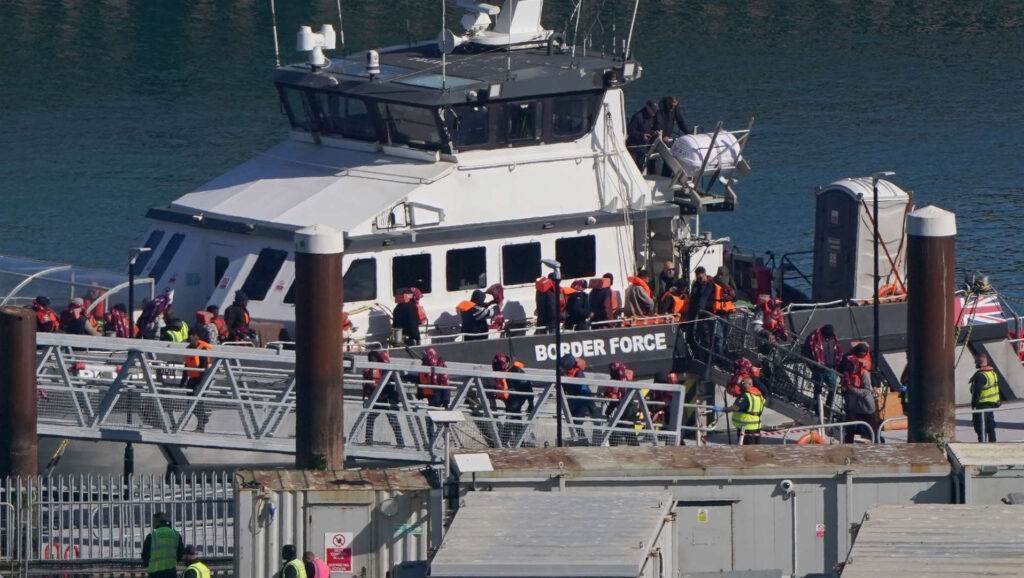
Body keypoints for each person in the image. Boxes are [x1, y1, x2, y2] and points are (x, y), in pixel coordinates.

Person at [362, 350, 404, 447]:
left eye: (371, 358)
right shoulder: (373, 369)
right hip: (377, 399)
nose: (370, 361)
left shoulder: (385, 369)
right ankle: (368, 440)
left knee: (393, 421)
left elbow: (391, 383)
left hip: (386, 399)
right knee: (370, 418)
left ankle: (401, 443)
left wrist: (383, 395)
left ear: (376, 358)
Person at [840, 353, 880, 443]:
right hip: (853, 407)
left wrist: (853, 390)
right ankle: (847, 446)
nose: (847, 367)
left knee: (873, 430)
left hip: (865, 407)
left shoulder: (864, 374)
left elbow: (867, 391)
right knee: (850, 429)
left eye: (849, 365)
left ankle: (878, 444)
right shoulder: (847, 375)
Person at [804, 324, 843, 413]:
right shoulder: (813, 338)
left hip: (830, 368)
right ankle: (818, 409)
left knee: (833, 387)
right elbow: (806, 353)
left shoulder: (832, 338)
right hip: (818, 369)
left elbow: (837, 350)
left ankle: (828, 408)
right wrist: (813, 366)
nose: (827, 338)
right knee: (818, 389)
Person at [180, 330, 212, 433]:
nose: (191, 336)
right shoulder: (188, 349)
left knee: (198, 403)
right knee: (190, 403)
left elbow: (204, 368)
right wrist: (182, 382)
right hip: (192, 380)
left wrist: (201, 384)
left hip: (201, 380)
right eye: (190, 334)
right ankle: (204, 418)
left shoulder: (203, 349)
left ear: (198, 337)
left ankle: (200, 427)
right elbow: (186, 366)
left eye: (193, 334)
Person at [559, 354, 600, 428]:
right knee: (575, 423)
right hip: (574, 401)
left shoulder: (578, 373)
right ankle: (579, 437)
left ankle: (600, 435)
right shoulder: (566, 373)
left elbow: (583, 389)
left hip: (582, 401)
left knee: (579, 421)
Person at [724, 375, 764, 445]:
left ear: (749, 384)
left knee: (746, 449)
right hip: (756, 427)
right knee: (756, 448)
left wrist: (724, 409)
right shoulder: (759, 396)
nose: (741, 385)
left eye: (743, 383)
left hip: (746, 428)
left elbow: (736, 407)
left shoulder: (746, 396)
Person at [141, 512, 183, 578]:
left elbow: (145, 555)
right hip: (170, 572)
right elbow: (180, 554)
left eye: (153, 521)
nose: (152, 523)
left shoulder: (152, 536)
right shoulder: (176, 535)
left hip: (155, 573)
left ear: (158, 522)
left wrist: (148, 564)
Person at [970, 352, 1000, 443]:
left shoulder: (981, 375)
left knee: (980, 426)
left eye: (976, 362)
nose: (975, 364)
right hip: (992, 403)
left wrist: (974, 405)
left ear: (979, 362)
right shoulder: (992, 373)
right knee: (990, 425)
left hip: (982, 404)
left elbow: (977, 391)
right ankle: (992, 442)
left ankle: (982, 443)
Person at [626, 100, 658, 170]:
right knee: (632, 168)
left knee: (640, 168)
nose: (654, 113)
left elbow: (647, 129)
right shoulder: (638, 117)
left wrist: (653, 133)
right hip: (634, 148)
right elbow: (630, 130)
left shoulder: (651, 117)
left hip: (643, 148)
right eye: (653, 110)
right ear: (647, 108)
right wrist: (641, 136)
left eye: (655, 111)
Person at [688, 266, 716, 349]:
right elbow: (693, 297)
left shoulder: (710, 284)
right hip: (698, 313)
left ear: (704, 274)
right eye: (698, 278)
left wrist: (700, 307)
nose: (700, 280)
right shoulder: (696, 285)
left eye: (701, 278)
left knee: (708, 337)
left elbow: (705, 297)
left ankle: (708, 356)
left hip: (708, 313)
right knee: (699, 335)